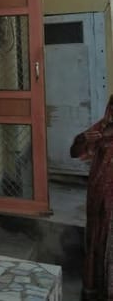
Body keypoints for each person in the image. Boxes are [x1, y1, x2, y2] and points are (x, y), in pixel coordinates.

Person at [70, 96, 113, 300]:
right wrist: (84, 139)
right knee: (98, 243)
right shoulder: (101, 129)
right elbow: (75, 151)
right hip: (99, 197)